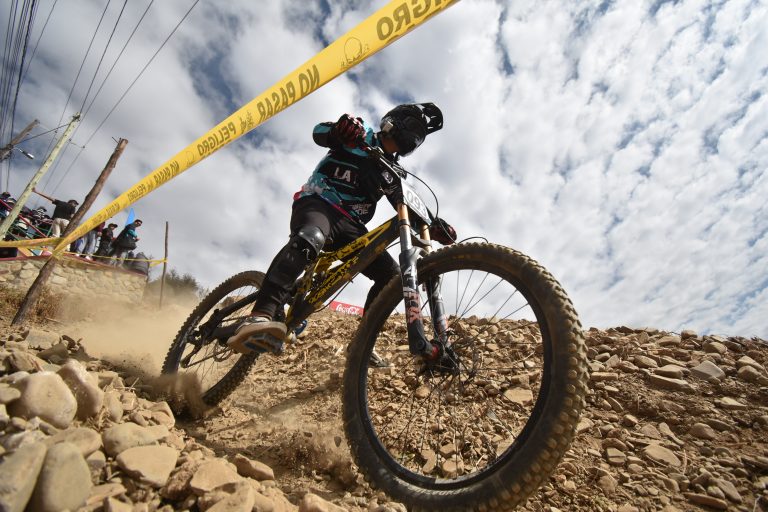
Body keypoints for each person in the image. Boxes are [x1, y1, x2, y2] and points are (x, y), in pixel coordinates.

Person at [227, 103, 456, 355]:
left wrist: (433, 223)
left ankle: (362, 343)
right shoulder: (361, 134)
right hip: (319, 202)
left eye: (420, 136)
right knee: (311, 238)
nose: (414, 137)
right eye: (414, 128)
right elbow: (319, 132)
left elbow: (404, 203)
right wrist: (340, 130)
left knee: (390, 276)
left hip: (352, 226)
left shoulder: (393, 172)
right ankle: (261, 313)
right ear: (393, 121)